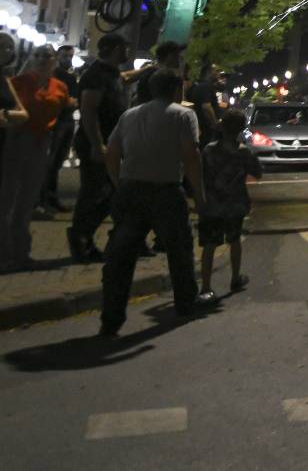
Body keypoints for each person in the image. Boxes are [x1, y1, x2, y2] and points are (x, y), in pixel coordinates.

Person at [99, 68, 207, 335]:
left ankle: (111, 318)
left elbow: (111, 153)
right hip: (165, 191)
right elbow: (191, 157)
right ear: (176, 89)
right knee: (180, 250)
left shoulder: (130, 115)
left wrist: (118, 182)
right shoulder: (183, 115)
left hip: (130, 190)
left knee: (120, 258)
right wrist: (200, 196)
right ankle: (185, 303)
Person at [0, 46, 67, 272]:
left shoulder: (60, 87)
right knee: (7, 198)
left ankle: (21, 253)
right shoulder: (19, 82)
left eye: (46, 56)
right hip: (17, 140)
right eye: (37, 55)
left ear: (54, 60)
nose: (41, 60)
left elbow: (61, 114)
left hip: (42, 143)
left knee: (27, 201)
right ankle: (5, 253)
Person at [69, 32, 131, 263]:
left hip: (111, 143)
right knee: (94, 193)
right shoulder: (96, 75)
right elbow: (89, 110)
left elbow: (125, 77)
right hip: (96, 144)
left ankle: (84, 236)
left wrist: (147, 70)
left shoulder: (111, 73)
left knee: (111, 193)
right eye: (124, 47)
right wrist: (97, 144)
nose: (127, 51)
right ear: (115, 49)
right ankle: (80, 238)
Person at [196, 109, 261, 303]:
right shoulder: (244, 152)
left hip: (213, 204)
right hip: (235, 203)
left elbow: (200, 174)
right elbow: (257, 173)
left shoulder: (208, 150)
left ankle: (206, 287)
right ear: (241, 129)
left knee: (209, 245)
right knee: (234, 240)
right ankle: (235, 278)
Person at [38, 43, 78, 214]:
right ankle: (43, 199)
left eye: (70, 56)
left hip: (67, 121)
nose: (68, 59)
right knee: (50, 162)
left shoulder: (70, 75)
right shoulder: (56, 76)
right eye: (65, 56)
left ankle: (50, 197)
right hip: (57, 123)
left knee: (56, 163)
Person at [0, 32, 28, 174]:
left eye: (10, 47)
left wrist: (6, 114)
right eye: (3, 46)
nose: (7, 51)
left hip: (5, 139)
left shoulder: (6, 79)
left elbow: (23, 114)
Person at [132, 40, 185, 105]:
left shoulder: (148, 72)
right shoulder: (168, 78)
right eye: (177, 55)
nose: (180, 59)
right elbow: (176, 102)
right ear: (170, 56)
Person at [188, 62, 221, 145]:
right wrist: (216, 125)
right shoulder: (205, 86)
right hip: (206, 131)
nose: (219, 73)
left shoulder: (198, 86)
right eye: (216, 71)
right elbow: (206, 107)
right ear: (208, 72)